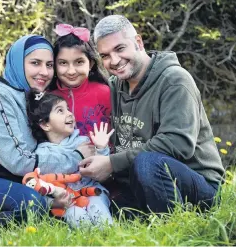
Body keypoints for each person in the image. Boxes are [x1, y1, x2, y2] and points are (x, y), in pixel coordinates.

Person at [79, 15, 225, 215]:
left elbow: (178, 143)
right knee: (96, 206)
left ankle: (173, 226)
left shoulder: (175, 81)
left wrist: (112, 164)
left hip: (197, 184)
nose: (114, 60)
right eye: (105, 55)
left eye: (120, 49)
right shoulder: (113, 87)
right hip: (142, 182)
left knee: (148, 162)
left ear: (138, 42)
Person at [0, 35, 95, 226]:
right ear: (18, 62)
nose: (44, 72)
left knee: (57, 208)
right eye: (35, 63)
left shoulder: (33, 98)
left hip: (25, 184)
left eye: (49, 65)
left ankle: (39, 213)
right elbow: (19, 162)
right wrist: (76, 157)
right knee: (32, 203)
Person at [26, 89, 114, 227]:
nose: (69, 114)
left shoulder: (82, 142)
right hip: (68, 200)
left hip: (92, 192)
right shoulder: (42, 153)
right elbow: (42, 180)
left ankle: (111, 238)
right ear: (45, 124)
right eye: (60, 111)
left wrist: (101, 148)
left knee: (97, 209)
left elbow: (100, 171)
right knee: (76, 215)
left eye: (68, 109)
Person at [49, 24, 111, 137]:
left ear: (91, 64)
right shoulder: (48, 98)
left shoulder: (105, 93)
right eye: (63, 63)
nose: (71, 71)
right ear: (54, 65)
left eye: (79, 62)